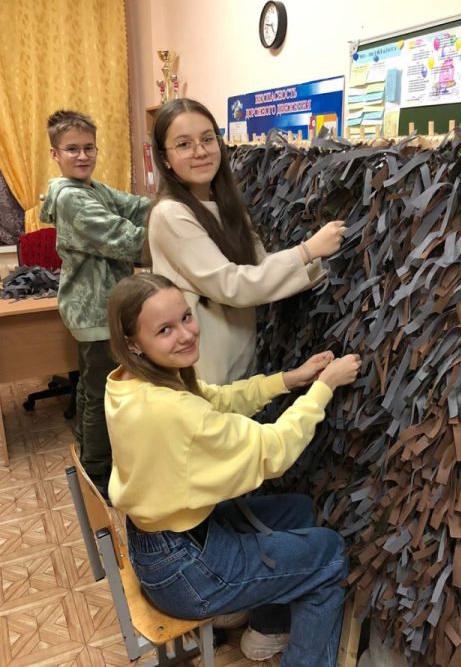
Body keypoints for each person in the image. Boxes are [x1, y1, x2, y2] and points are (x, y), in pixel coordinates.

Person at [105, 272, 362, 667]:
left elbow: (215, 399)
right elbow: (273, 450)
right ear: (133, 343)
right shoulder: (171, 412)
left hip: (160, 545)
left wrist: (288, 380)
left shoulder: (127, 382)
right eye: (164, 330)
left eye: (185, 317)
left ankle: (268, 630)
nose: (186, 334)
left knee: (297, 510)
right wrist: (323, 388)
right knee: (330, 556)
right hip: (185, 570)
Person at [146, 97, 346, 385]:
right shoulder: (170, 214)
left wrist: (323, 264)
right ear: (164, 158)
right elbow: (232, 285)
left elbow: (260, 268)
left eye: (207, 139)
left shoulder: (228, 206)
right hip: (203, 370)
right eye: (183, 144)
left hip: (239, 362)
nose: (200, 151)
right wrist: (307, 251)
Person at [40, 110, 150, 498]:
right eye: (72, 149)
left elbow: (133, 206)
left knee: (91, 387)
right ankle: (97, 473)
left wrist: (172, 203)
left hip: (97, 310)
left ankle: (89, 453)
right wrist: (179, 234)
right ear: (55, 154)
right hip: (96, 312)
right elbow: (125, 239)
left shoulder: (91, 188)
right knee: (103, 392)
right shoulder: (72, 197)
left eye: (89, 148)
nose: (83, 156)